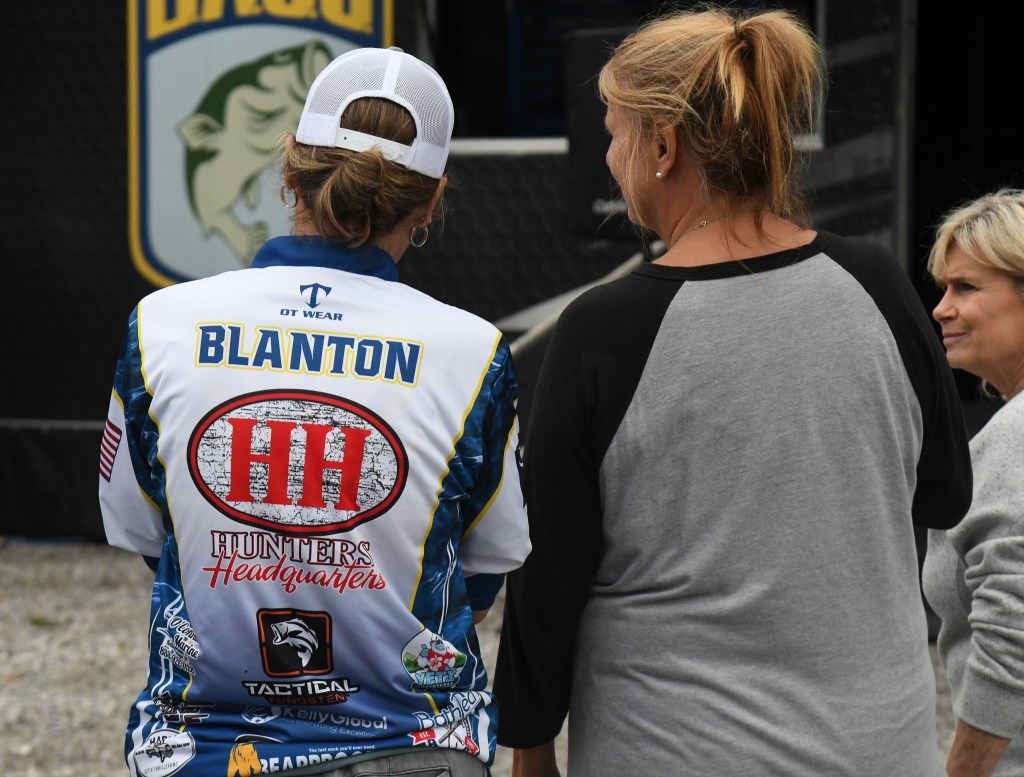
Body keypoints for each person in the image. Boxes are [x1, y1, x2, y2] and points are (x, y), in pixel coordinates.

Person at [494, 7, 971, 777]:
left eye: (615, 134)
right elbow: (945, 492)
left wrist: (530, 744)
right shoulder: (878, 282)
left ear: (662, 146)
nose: (610, 159)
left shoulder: (604, 329)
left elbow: (547, 577)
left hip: (676, 749)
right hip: (880, 747)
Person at [99, 46, 530, 777]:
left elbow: (147, 534)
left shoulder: (159, 324)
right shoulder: (475, 351)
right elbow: (484, 572)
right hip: (414, 745)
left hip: (202, 749)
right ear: (432, 200)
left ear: (289, 168)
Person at [923, 189, 1024, 777]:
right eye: (943, 288)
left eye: (965, 287)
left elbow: (1012, 638)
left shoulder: (1017, 437)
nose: (941, 308)